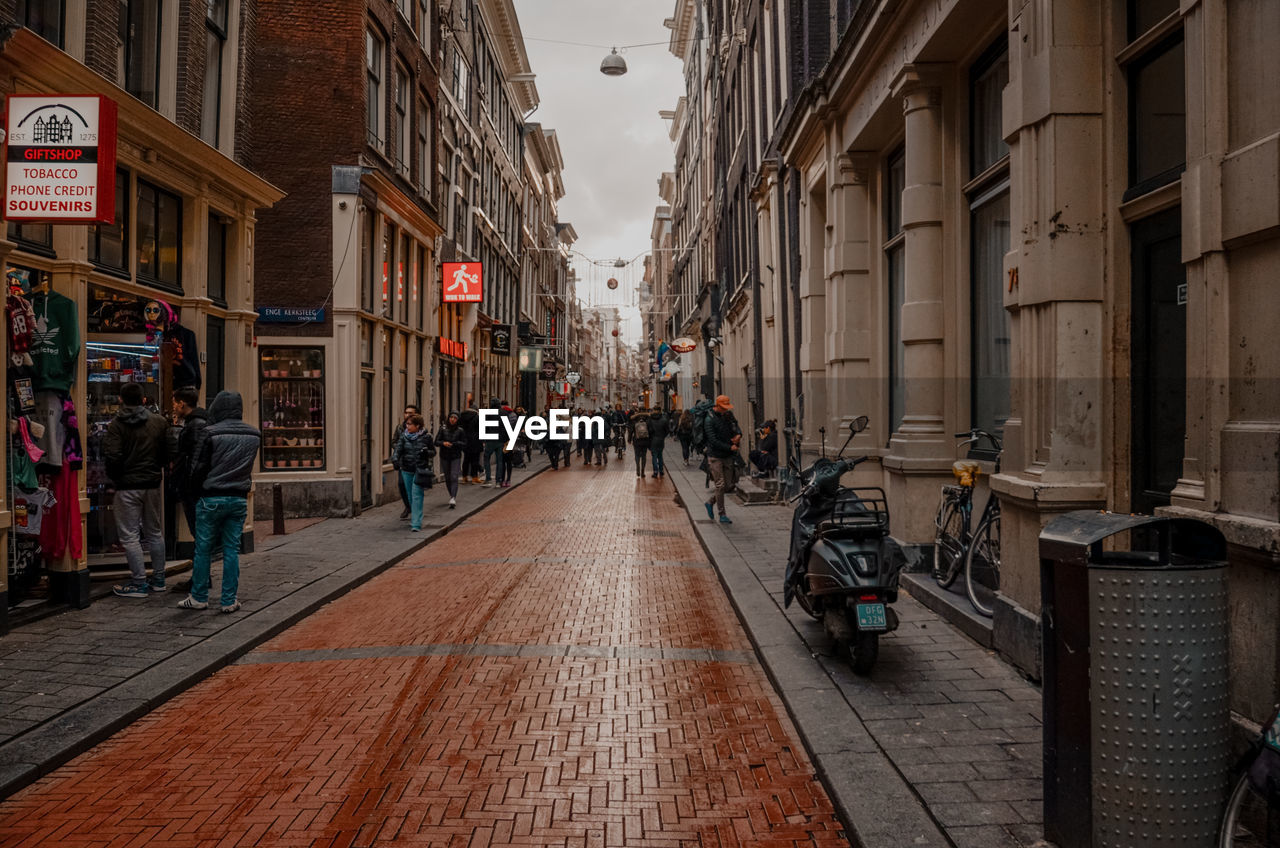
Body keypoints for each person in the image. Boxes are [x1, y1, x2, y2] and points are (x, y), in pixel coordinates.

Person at [177, 391, 261, 613]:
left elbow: (197, 468)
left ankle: (199, 596)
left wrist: (195, 492)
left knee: (203, 549)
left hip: (211, 497)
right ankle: (228, 600)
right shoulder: (254, 435)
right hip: (239, 498)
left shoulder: (210, 433)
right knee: (231, 550)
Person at [107, 383, 177, 598]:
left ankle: (138, 582)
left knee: (130, 536)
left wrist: (116, 478)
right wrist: (159, 468)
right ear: (144, 400)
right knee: (154, 532)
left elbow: (113, 456)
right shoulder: (158, 422)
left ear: (121, 400)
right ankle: (159, 579)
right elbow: (169, 450)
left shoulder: (117, 425)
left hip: (127, 486)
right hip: (153, 483)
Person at [170, 385, 208, 538]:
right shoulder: (194, 423)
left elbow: (194, 457)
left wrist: (187, 484)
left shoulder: (195, 425)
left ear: (182, 404)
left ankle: (202, 561)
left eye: (174, 403)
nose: (173, 407)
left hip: (193, 489)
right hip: (193, 488)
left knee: (198, 531)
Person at [702, 394, 742, 525]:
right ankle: (722, 514)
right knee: (720, 484)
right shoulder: (709, 420)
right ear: (717, 406)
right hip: (715, 456)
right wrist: (730, 447)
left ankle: (710, 502)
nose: (726, 410)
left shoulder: (728, 415)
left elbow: (736, 426)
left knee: (729, 484)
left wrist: (738, 435)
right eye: (723, 408)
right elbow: (713, 440)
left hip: (727, 455)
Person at [391, 413, 434, 531]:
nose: (407, 426)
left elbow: (433, 452)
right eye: (407, 424)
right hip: (406, 469)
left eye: (410, 424)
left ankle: (416, 523)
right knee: (410, 496)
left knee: (417, 495)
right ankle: (415, 515)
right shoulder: (404, 437)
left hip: (419, 470)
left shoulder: (427, 437)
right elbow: (397, 451)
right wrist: (395, 460)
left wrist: (427, 453)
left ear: (418, 426)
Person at [391, 404, 420, 519]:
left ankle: (416, 508)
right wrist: (399, 449)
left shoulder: (420, 429)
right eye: (406, 412)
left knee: (415, 486)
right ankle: (408, 506)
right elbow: (393, 441)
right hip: (403, 462)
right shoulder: (399, 428)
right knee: (402, 485)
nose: (408, 415)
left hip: (416, 462)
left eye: (410, 413)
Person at [435, 411, 467, 508]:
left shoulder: (460, 431)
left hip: (455, 456)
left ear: (458, 420)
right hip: (444, 456)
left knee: (454, 476)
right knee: (447, 477)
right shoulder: (442, 429)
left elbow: (465, 443)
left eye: (455, 418)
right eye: (451, 417)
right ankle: (451, 494)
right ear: (448, 418)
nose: (453, 419)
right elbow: (436, 441)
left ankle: (453, 497)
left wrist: (455, 444)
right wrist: (443, 443)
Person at [457, 400, 482, 484]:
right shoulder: (477, 417)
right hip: (475, 440)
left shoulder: (462, 416)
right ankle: (474, 477)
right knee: (475, 460)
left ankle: (464, 477)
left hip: (465, 440)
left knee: (466, 459)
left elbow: (459, 428)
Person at [482, 397, 505, 487]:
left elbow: (484, 427)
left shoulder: (488, 413)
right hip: (500, 440)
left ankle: (488, 479)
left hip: (490, 439)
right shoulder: (503, 413)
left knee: (486, 458)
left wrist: (483, 439)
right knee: (500, 460)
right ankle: (498, 481)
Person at [649, 411, 670, 479]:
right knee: (660, 455)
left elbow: (649, 431)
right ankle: (661, 470)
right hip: (661, 440)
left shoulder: (650, 420)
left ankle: (655, 471)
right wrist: (663, 436)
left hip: (653, 440)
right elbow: (667, 431)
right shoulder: (663, 420)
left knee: (654, 456)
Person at [631, 410, 652, 478]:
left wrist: (629, 439)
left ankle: (637, 467)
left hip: (636, 440)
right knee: (644, 456)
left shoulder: (635, 421)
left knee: (637, 455)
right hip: (645, 441)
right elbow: (650, 430)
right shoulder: (647, 421)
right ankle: (643, 471)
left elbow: (631, 430)